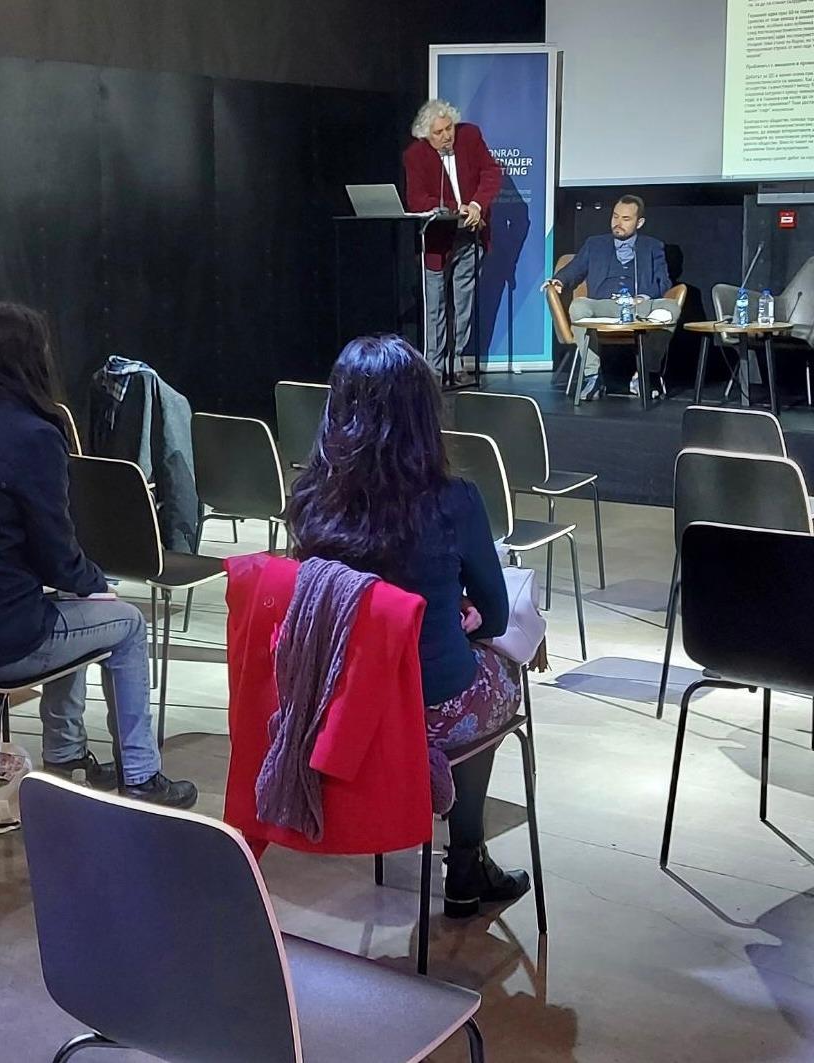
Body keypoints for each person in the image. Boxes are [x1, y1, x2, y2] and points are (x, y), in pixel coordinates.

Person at [0, 302, 197, 809]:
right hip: (6, 640)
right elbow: (58, 557)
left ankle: (68, 756)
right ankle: (140, 774)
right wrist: (96, 584)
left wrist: (79, 584)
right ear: (32, 357)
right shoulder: (35, 436)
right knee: (126, 622)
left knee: (73, 602)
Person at [287, 333, 529, 916]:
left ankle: (452, 838)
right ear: (423, 415)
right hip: (429, 706)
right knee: (505, 676)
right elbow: (496, 617)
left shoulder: (310, 500)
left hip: (340, 700)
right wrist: (455, 612)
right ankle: (466, 859)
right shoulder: (455, 500)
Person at [402, 98, 502, 383]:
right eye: (439, 132)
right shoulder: (415, 155)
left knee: (463, 302)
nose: (447, 136)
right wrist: (454, 208)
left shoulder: (470, 136)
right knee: (434, 306)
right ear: (426, 135)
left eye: (449, 128)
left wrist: (477, 205)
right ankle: (433, 368)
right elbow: (417, 199)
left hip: (470, 235)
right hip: (436, 242)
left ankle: (455, 361)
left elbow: (491, 173)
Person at [544, 194, 680, 400]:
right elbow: (575, 268)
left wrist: (644, 297)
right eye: (615, 216)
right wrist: (559, 281)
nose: (618, 223)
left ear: (639, 222)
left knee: (671, 308)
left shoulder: (652, 246)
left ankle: (644, 374)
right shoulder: (594, 244)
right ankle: (592, 375)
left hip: (638, 307)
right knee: (578, 306)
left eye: (626, 219)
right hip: (603, 305)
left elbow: (664, 282)